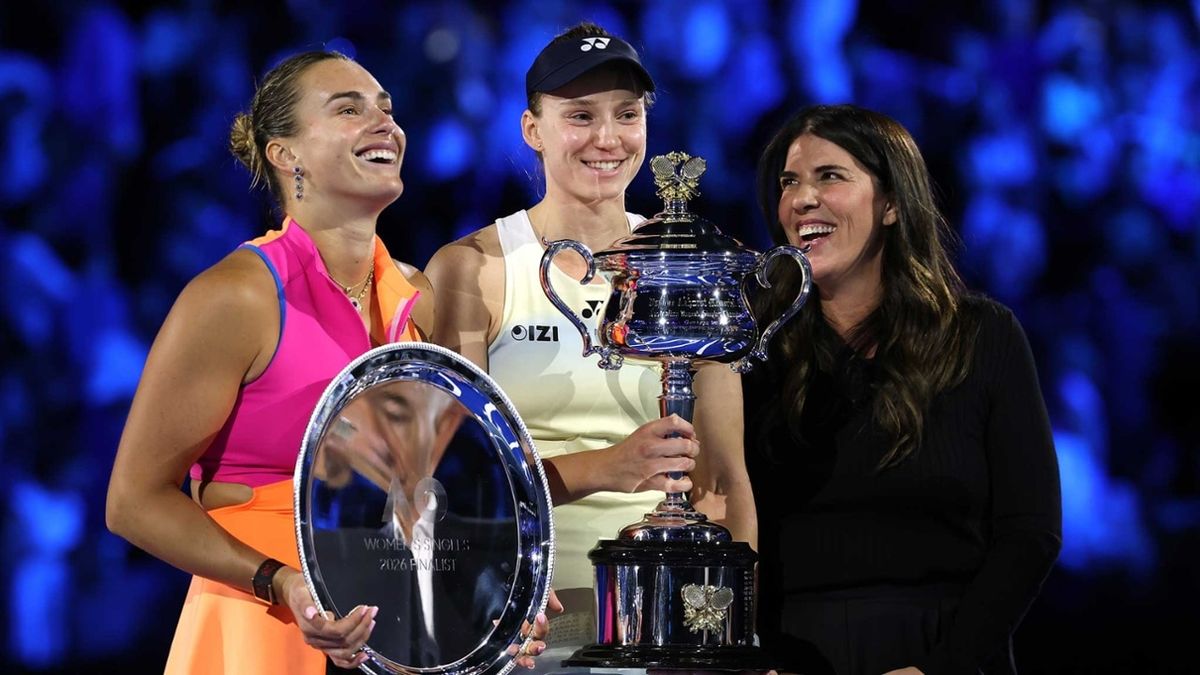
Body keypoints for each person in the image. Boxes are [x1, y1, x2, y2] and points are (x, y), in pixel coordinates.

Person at [105, 50, 546, 674]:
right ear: (286, 154)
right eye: (348, 109)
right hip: (262, 626)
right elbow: (133, 501)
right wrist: (280, 581)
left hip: (392, 632)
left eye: (387, 109)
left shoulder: (416, 297)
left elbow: (434, 497)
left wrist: (495, 592)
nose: (384, 123)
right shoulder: (236, 297)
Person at [425, 22, 756, 664]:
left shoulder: (688, 269)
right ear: (532, 129)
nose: (607, 138)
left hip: (663, 632)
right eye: (580, 116)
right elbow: (456, 483)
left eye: (626, 115)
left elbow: (722, 484)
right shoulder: (475, 268)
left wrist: (731, 638)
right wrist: (607, 466)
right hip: (524, 628)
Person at [743, 103, 1062, 675]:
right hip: (792, 658)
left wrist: (942, 668)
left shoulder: (982, 337)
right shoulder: (755, 353)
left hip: (947, 653)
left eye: (830, 176)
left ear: (891, 203)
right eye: (789, 182)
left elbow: (1029, 532)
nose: (802, 199)